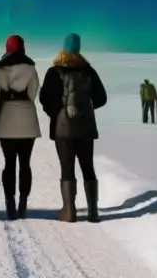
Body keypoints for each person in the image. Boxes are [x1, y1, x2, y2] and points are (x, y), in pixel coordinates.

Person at [39, 33, 107, 224]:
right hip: (86, 128)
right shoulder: (89, 71)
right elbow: (101, 98)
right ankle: (93, 212)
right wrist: (85, 108)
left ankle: (69, 211)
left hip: (63, 128)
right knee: (88, 168)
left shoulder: (54, 72)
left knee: (67, 169)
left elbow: (45, 98)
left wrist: (56, 113)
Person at [0, 34, 41, 220]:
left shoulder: (1, 69)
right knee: (25, 163)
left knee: (9, 163)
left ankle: (10, 203)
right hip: (27, 119)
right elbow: (34, 92)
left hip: (6, 120)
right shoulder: (31, 68)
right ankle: (23, 203)